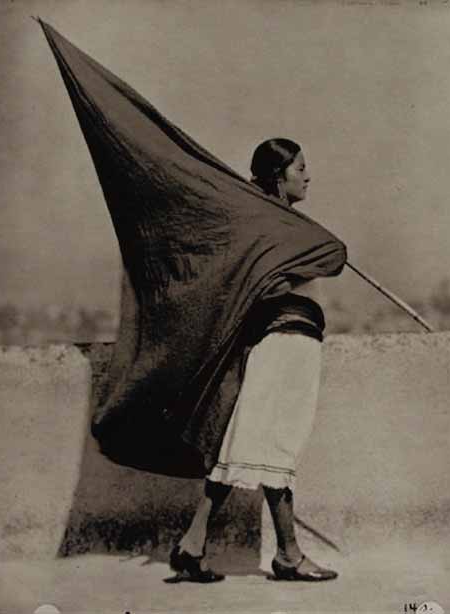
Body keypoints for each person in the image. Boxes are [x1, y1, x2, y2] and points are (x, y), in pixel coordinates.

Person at [169, 138, 341, 583]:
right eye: (300, 168)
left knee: (248, 448)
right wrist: (317, 248)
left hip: (289, 342)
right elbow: (287, 274)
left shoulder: (279, 225)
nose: (308, 176)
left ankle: (194, 544)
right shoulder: (273, 229)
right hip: (284, 344)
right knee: (271, 447)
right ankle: (287, 555)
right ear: (279, 177)